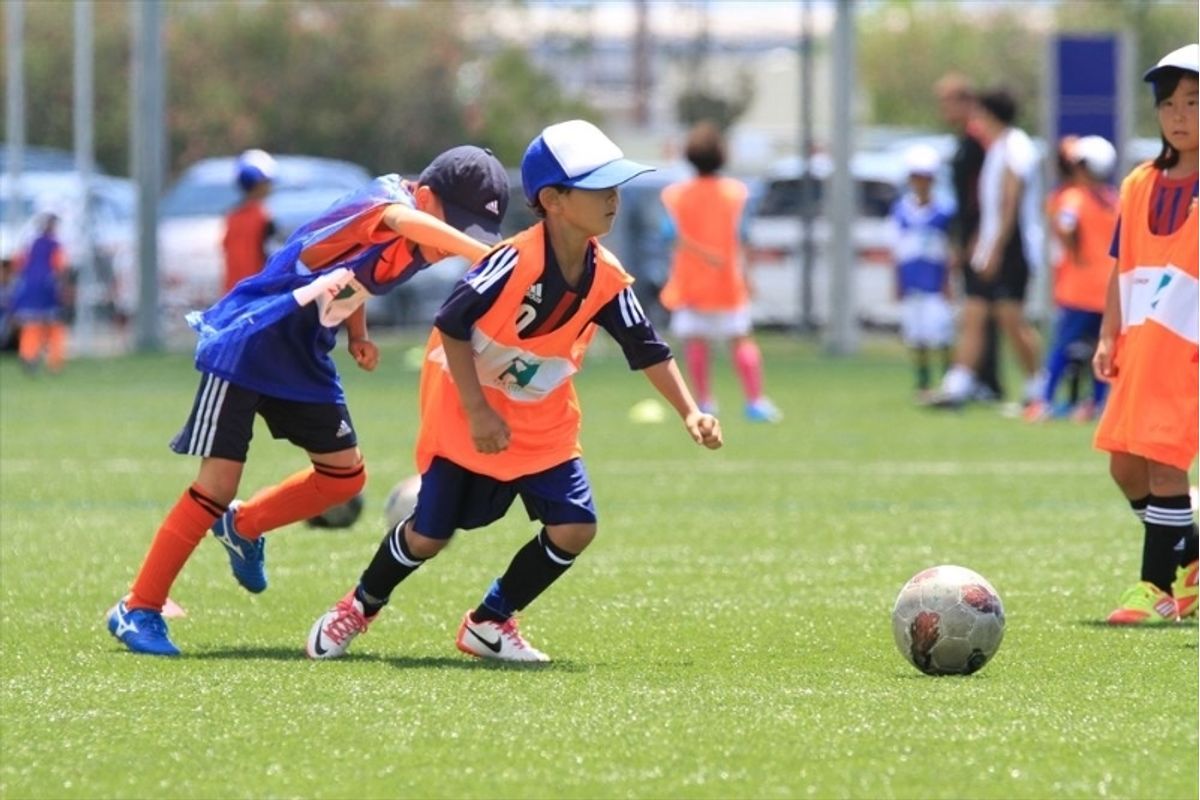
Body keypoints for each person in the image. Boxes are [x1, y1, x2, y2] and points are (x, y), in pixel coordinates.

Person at [305, 119, 723, 663]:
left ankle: (490, 621)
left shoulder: (606, 277)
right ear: (553, 200)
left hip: (542, 422)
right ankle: (358, 606)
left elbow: (648, 348)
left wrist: (690, 411)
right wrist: (478, 411)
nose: (613, 198)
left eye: (616, 186)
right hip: (465, 412)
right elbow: (452, 323)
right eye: (598, 186)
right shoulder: (511, 260)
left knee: (575, 527)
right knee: (429, 536)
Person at [106, 145, 510, 656]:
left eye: (476, 234)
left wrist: (357, 333)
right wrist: (482, 255)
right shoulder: (382, 203)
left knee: (344, 476)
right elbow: (396, 222)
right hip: (252, 340)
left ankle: (243, 526)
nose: (457, 244)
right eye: (458, 228)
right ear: (425, 198)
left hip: (304, 354)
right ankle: (138, 606)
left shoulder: (414, 241)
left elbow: (353, 276)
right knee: (217, 484)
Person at [1093, 43, 1198, 625]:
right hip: (1141, 345)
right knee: (1125, 466)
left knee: (1164, 461)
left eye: (1194, 102)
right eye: (1169, 104)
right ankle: (1194, 556)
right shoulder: (1139, 183)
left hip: (1188, 349)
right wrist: (1109, 335)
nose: (1180, 116)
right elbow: (1121, 265)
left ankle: (1156, 588)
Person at [658, 120, 781, 422]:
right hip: (727, 282)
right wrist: (748, 276)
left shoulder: (676, 195)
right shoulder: (735, 193)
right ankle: (755, 401)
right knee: (740, 339)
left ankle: (704, 401)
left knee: (696, 342)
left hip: (690, 283)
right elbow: (743, 237)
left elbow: (668, 234)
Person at [933, 87, 1044, 408]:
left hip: (1012, 247)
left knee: (1011, 319)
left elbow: (1010, 202)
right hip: (990, 245)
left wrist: (995, 247)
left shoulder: (1015, 146)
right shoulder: (996, 148)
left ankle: (1037, 385)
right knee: (974, 313)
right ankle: (957, 385)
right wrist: (977, 243)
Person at [1025, 135, 1118, 422]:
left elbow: (1065, 225)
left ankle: (1045, 401)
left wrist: (1074, 251)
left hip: (1079, 288)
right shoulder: (1113, 199)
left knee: (1062, 347)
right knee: (1104, 348)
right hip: (1109, 288)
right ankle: (1098, 403)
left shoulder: (1073, 197)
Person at [934, 73, 1004, 402]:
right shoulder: (965, 139)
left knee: (982, 308)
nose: (943, 109)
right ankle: (977, 377)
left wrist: (979, 236)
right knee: (979, 307)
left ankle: (981, 379)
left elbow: (987, 193)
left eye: (947, 102)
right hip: (967, 233)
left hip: (979, 236)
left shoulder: (980, 140)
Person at [889, 144, 954, 400]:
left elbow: (950, 250)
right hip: (911, 281)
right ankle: (923, 383)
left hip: (935, 282)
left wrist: (948, 281)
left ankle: (949, 380)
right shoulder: (900, 211)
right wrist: (896, 282)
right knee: (916, 336)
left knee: (941, 334)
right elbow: (896, 250)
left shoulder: (944, 211)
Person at [7, 212, 69, 374]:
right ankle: (55, 361)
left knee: (31, 324)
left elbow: (18, 265)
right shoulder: (55, 245)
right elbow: (60, 267)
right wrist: (62, 288)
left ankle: (28, 354)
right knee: (54, 325)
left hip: (29, 288)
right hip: (48, 288)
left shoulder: (29, 244)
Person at [222, 149, 278, 293]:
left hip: (233, 291)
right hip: (258, 290)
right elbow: (271, 254)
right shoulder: (263, 216)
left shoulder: (232, 216)